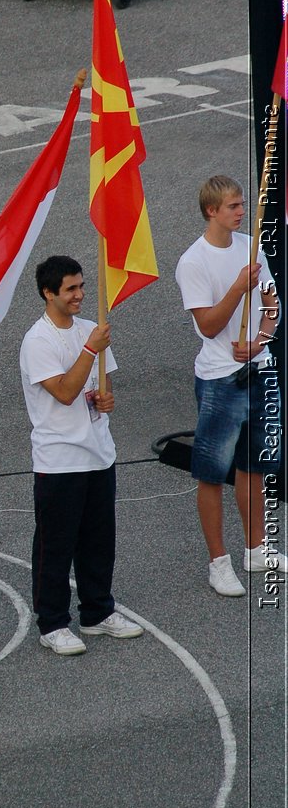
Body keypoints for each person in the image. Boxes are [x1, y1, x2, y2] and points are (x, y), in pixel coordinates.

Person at [19, 255, 143, 655]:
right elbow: (65, 391)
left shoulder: (91, 329)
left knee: (98, 540)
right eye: (71, 289)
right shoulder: (38, 341)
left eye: (82, 286)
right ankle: (52, 623)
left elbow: (96, 389)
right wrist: (90, 350)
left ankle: (97, 612)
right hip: (59, 461)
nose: (80, 295)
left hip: (98, 454)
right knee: (56, 545)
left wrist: (106, 399)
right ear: (48, 292)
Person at [175, 175, 285, 596]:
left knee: (255, 464)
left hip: (261, 370)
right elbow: (207, 325)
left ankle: (256, 548)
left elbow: (274, 304)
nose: (242, 212)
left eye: (242, 204)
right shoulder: (194, 262)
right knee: (210, 472)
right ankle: (218, 562)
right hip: (221, 379)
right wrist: (239, 288)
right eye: (234, 206)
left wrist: (260, 340)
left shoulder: (250, 247)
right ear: (212, 211)